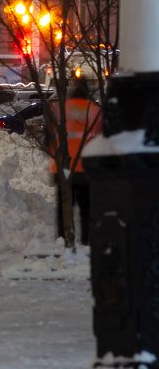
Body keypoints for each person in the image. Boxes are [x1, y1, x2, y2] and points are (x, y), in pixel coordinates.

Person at [47, 78, 102, 245]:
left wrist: (53, 156)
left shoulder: (60, 109)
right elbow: (102, 139)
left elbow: (49, 137)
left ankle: (63, 239)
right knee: (87, 208)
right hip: (86, 167)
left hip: (63, 167)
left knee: (64, 207)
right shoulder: (95, 111)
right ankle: (86, 241)